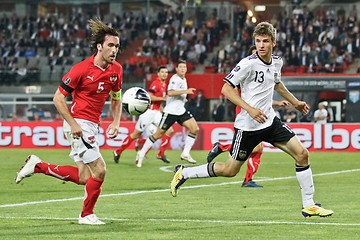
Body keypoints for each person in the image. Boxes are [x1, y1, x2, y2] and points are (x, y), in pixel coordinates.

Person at [170, 22, 333, 218]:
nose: (261, 45)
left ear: (274, 42)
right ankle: (183, 173)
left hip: (270, 122)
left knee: (302, 155)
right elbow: (226, 89)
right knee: (230, 171)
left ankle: (309, 205)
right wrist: (250, 109)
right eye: (258, 41)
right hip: (248, 127)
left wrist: (295, 102)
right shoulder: (247, 64)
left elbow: (277, 84)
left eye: (265, 41)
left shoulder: (276, 62)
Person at [15, 18, 123, 225]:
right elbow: (57, 98)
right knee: (100, 169)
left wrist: (116, 122)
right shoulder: (81, 69)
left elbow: (116, 97)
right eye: (110, 45)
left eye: (117, 46)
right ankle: (86, 215)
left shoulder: (116, 70)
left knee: (84, 176)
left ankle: (38, 166)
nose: (114, 49)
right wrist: (73, 124)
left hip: (92, 125)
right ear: (99, 46)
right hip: (79, 123)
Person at [208, 100, 291, 188]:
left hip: (253, 113)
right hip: (246, 114)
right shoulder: (239, 87)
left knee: (258, 148)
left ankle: (248, 179)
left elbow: (259, 98)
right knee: (256, 147)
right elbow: (247, 97)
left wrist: (277, 103)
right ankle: (222, 148)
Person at [136, 60, 199, 167]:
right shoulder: (175, 79)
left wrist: (183, 99)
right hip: (170, 112)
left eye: (185, 67)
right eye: (181, 67)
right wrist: (186, 92)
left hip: (181, 111)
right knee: (158, 134)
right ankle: (141, 154)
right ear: (177, 69)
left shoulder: (184, 79)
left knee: (195, 129)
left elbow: (178, 94)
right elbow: (170, 92)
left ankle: (185, 153)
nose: (183, 69)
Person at [113, 66, 174, 164]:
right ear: (158, 74)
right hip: (148, 112)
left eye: (166, 72)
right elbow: (149, 96)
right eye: (162, 72)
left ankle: (161, 153)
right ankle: (118, 151)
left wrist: (163, 112)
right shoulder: (156, 83)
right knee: (135, 134)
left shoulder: (164, 85)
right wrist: (163, 99)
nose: (164, 74)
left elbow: (159, 103)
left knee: (169, 130)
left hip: (157, 113)